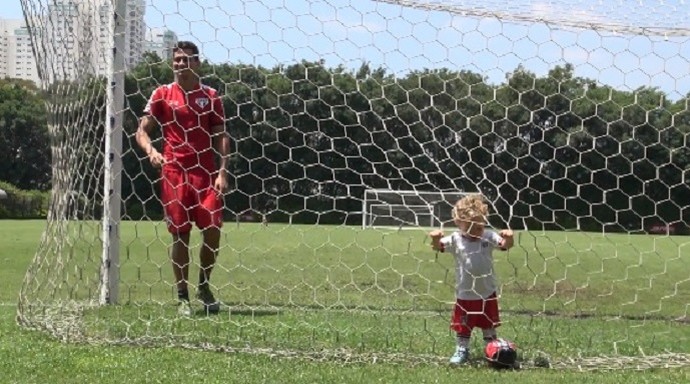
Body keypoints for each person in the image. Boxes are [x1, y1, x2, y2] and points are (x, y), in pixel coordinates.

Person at [135, 41, 230, 316]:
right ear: (172, 63)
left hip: (206, 174)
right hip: (175, 173)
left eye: (187, 59)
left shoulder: (210, 95)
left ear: (197, 63)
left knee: (213, 231)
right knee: (181, 235)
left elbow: (221, 135)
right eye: (177, 59)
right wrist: (151, 151)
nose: (181, 64)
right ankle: (183, 297)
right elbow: (141, 132)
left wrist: (223, 171)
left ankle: (203, 286)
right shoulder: (162, 94)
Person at [428, 194, 515, 365]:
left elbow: (505, 245)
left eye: (481, 224)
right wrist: (435, 238)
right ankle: (462, 349)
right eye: (471, 225)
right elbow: (438, 247)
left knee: (488, 325)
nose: (477, 229)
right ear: (458, 222)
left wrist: (509, 237)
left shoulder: (488, 236)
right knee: (463, 326)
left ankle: (492, 350)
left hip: (487, 291)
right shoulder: (455, 238)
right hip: (465, 293)